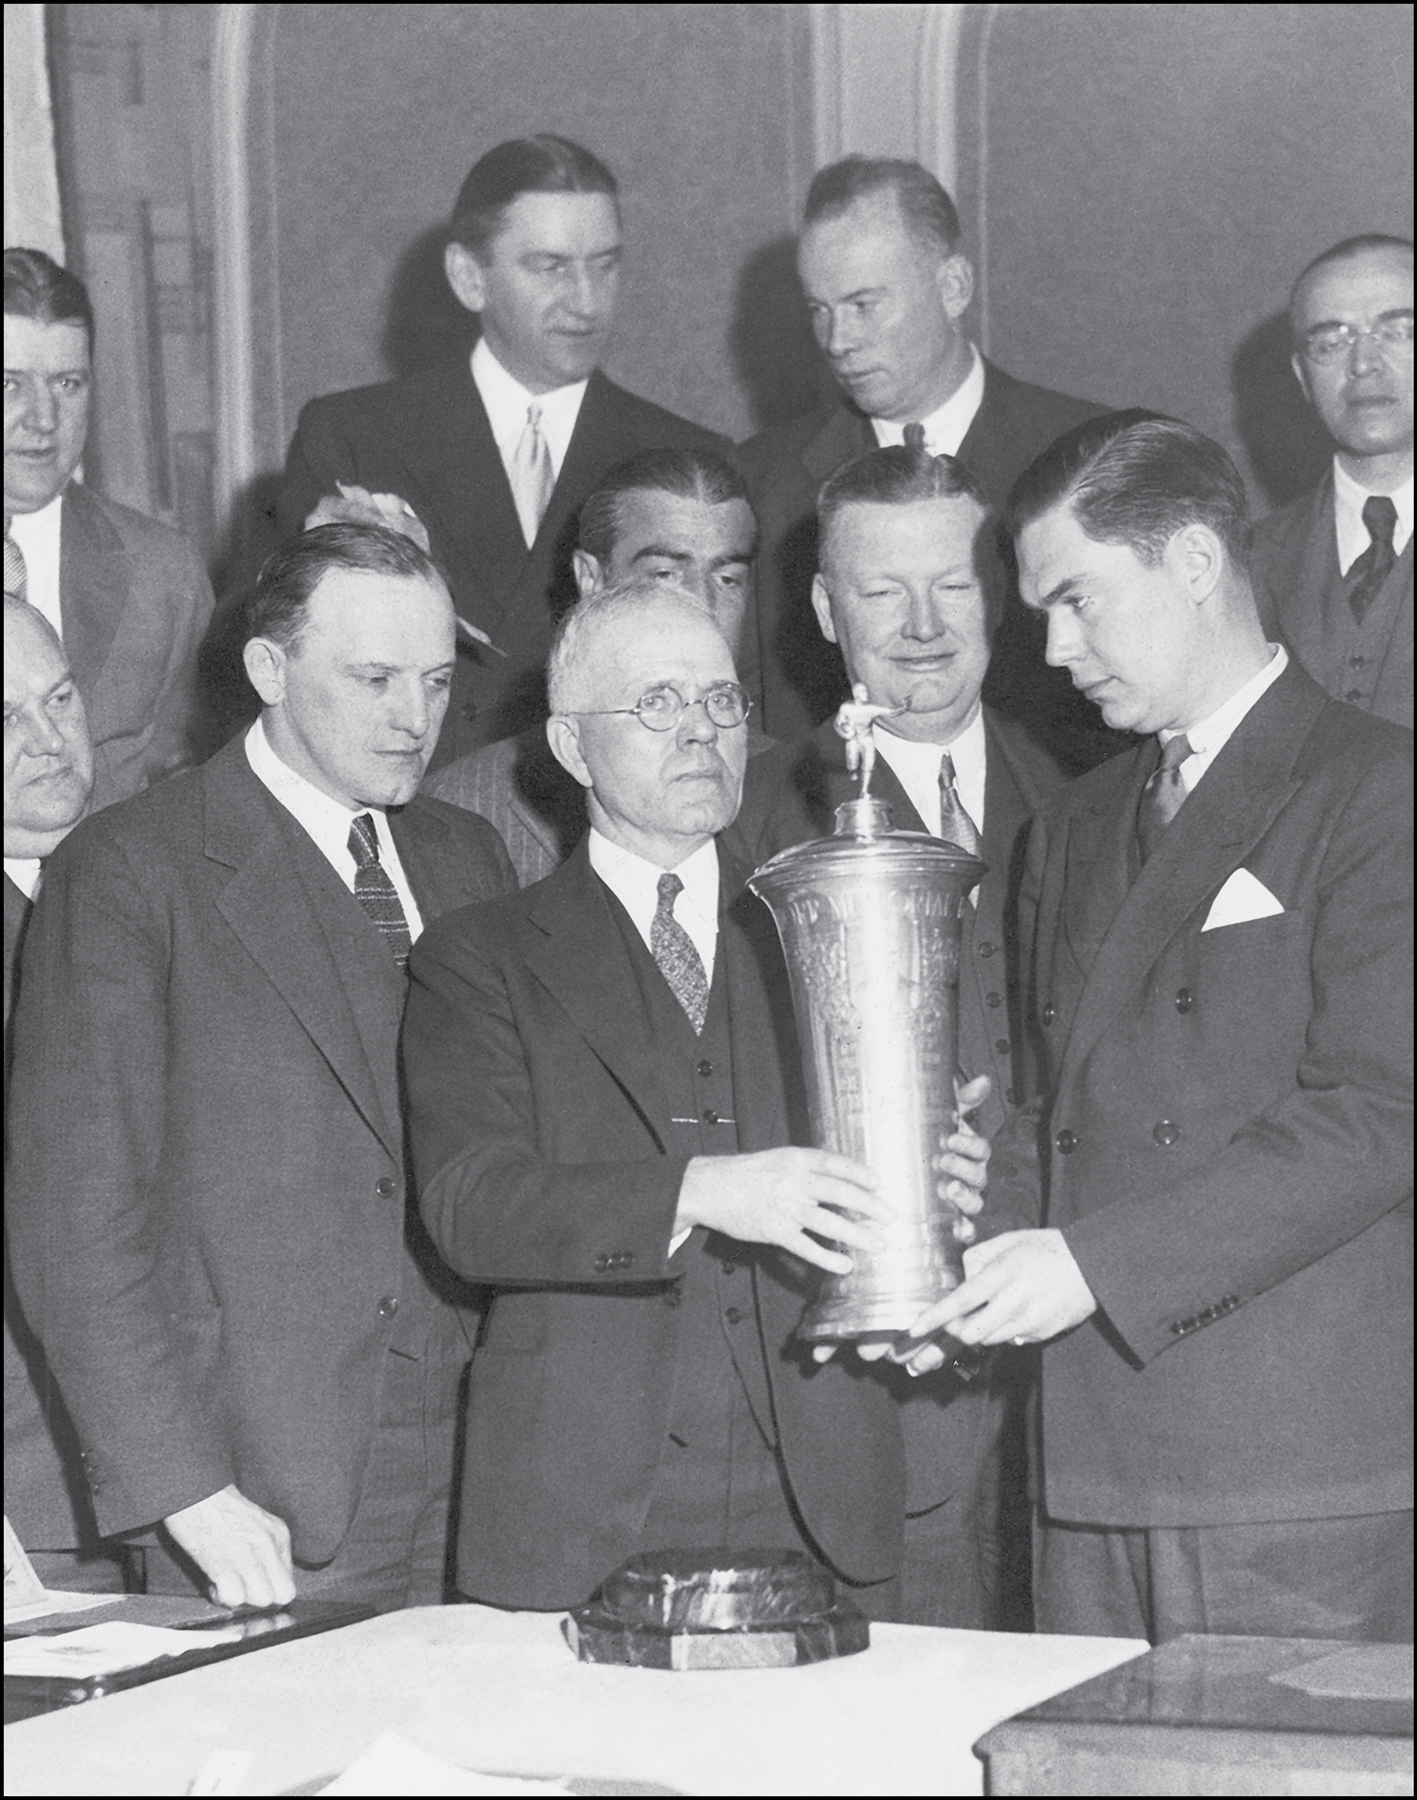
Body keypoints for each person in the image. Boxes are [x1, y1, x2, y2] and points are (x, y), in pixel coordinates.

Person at [902, 412, 1413, 1644]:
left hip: (1288, 1473)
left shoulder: (1377, 790)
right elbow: (1055, 1110)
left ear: (1192, 561)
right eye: (1039, 617)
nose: (1055, 650)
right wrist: (963, 1268)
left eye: (1077, 601)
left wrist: (1085, 1268)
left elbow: (1380, 1114)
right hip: (1085, 1460)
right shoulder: (1068, 829)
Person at [401, 578, 991, 1612]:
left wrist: (947, 1186)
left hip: (824, 1488)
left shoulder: (825, 928)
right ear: (573, 747)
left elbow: (928, 1158)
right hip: (578, 1510)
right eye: (656, 704)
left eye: (721, 702)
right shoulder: (478, 956)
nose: (700, 733)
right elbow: (470, 1206)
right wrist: (701, 1191)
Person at [7, 524, 516, 1613]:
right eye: (372, 678)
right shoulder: (132, 869)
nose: (413, 717)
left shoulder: (464, 857)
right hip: (258, 1494)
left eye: (433, 681)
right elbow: (72, 1222)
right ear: (268, 670)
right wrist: (183, 1488)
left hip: (487, 1461)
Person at [729, 446, 1066, 1628]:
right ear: (824, 609)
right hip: (856, 1420)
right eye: (881, 593)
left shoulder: (1092, 797)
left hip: (1070, 1405)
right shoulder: (746, 827)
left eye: (956, 585)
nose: (922, 628)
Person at [277, 134, 724, 770]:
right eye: (551, 268)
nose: (587, 300)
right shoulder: (351, 438)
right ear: (468, 277)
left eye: (605, 265)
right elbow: (271, 660)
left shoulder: (689, 458)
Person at [736, 156, 1112, 766]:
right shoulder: (763, 482)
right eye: (818, 310)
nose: (837, 341)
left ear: (954, 287)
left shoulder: (1090, 455)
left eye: (863, 305)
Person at [424, 444, 762, 883]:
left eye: (728, 578)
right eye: (664, 574)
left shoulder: (799, 793)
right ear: (591, 579)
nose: (701, 604)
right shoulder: (463, 810)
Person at [4, 250, 217, 812]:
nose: (44, 418)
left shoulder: (162, 573)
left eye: (68, 383)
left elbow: (185, 784)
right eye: (9, 385)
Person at [3, 593, 119, 1589]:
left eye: (61, 698)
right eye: (3, 719)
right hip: (30, 1494)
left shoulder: (155, 873)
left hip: (195, 1469)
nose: (46, 741)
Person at [1251, 235, 1413, 729]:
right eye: (1330, 342)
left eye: (1401, 330)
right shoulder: (1242, 565)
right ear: (1302, 376)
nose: (1363, 363)